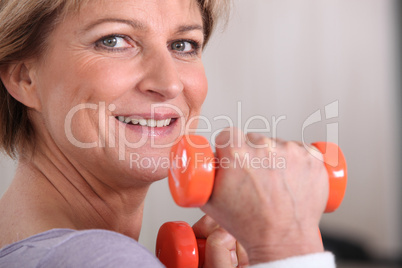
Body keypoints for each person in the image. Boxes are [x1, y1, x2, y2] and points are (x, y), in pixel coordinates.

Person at [0, 0, 336, 267]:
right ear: (23, 77)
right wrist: (287, 247)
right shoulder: (98, 258)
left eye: (183, 44)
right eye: (114, 41)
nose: (169, 83)